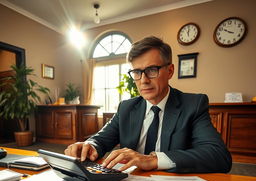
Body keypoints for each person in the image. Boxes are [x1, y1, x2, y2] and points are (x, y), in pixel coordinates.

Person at [65, 36, 232, 173]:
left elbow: (219, 156)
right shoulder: (127, 107)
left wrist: (153, 159)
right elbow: (101, 139)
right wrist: (89, 145)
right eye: (137, 72)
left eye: (152, 70)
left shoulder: (193, 105)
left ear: (170, 71)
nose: (143, 80)